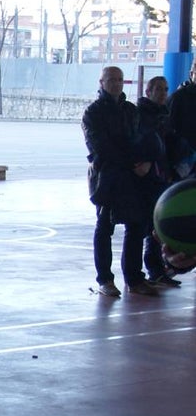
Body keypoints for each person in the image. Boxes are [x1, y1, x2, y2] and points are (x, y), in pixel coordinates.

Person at [82, 66, 159, 298]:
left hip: (133, 177)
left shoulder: (130, 110)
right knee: (105, 227)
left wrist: (146, 161)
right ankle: (105, 279)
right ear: (101, 82)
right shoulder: (93, 113)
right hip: (107, 177)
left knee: (136, 226)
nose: (116, 83)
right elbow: (100, 146)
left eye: (120, 80)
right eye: (111, 80)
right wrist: (131, 162)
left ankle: (134, 278)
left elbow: (145, 138)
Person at [137, 76, 185, 288]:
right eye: (158, 89)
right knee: (146, 228)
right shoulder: (140, 114)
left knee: (157, 229)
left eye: (166, 89)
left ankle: (157, 270)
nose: (163, 93)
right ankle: (145, 272)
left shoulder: (165, 115)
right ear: (148, 91)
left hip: (163, 175)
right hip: (149, 178)